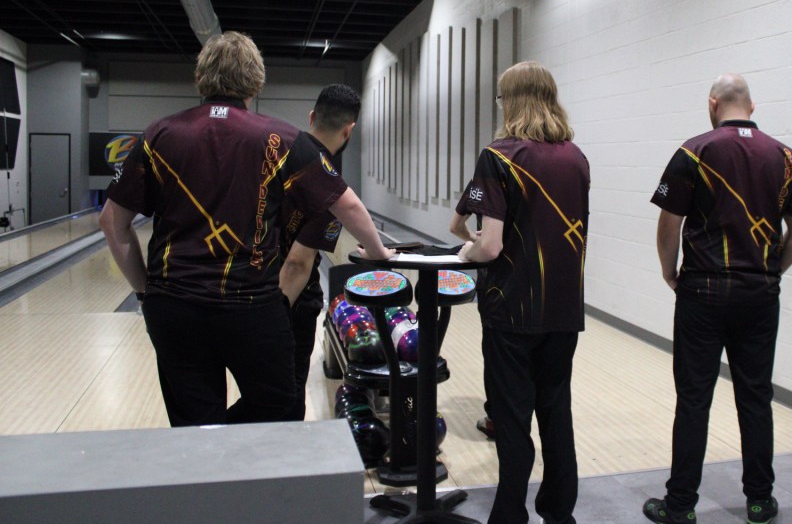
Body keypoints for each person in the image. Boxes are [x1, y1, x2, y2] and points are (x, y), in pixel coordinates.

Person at [99, 32, 392, 427]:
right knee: (279, 400)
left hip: (174, 305)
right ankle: (225, 446)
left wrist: (144, 291)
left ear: (201, 76)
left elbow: (112, 222)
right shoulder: (282, 138)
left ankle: (207, 450)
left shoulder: (159, 134)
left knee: (193, 422)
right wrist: (378, 252)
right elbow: (348, 204)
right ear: (256, 81)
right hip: (252, 305)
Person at [642, 74, 792, 524]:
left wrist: (668, 271)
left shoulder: (693, 152)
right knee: (755, 397)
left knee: (694, 399)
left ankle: (680, 506)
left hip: (702, 291)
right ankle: (759, 501)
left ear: (712, 103)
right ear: (751, 108)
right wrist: (772, 270)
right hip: (759, 295)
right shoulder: (790, 159)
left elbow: (668, 224)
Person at [451, 60, 589, 524]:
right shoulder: (577, 157)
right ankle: (559, 513)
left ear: (509, 100)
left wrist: (465, 252)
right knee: (556, 414)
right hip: (564, 307)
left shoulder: (499, 155)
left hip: (511, 308)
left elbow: (489, 245)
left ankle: (510, 514)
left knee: (511, 420)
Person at [227, 83, 364, 422]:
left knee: (259, 394)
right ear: (350, 130)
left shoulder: (270, 156)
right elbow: (297, 264)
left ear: (312, 116)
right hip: (288, 304)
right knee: (285, 400)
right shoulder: (328, 184)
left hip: (242, 290)